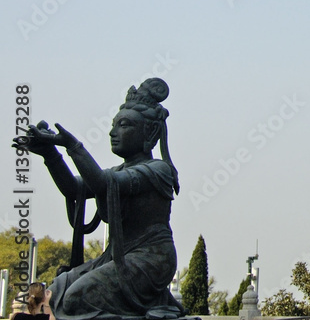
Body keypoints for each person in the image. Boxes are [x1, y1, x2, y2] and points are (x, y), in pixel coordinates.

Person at [14, 79, 184, 320]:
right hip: (119, 256)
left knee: (76, 300)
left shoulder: (157, 170)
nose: (113, 132)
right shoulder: (118, 171)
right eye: (113, 125)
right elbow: (75, 189)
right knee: (58, 288)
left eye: (124, 125)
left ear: (150, 132)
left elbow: (103, 183)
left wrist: (73, 146)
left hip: (151, 259)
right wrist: (50, 154)